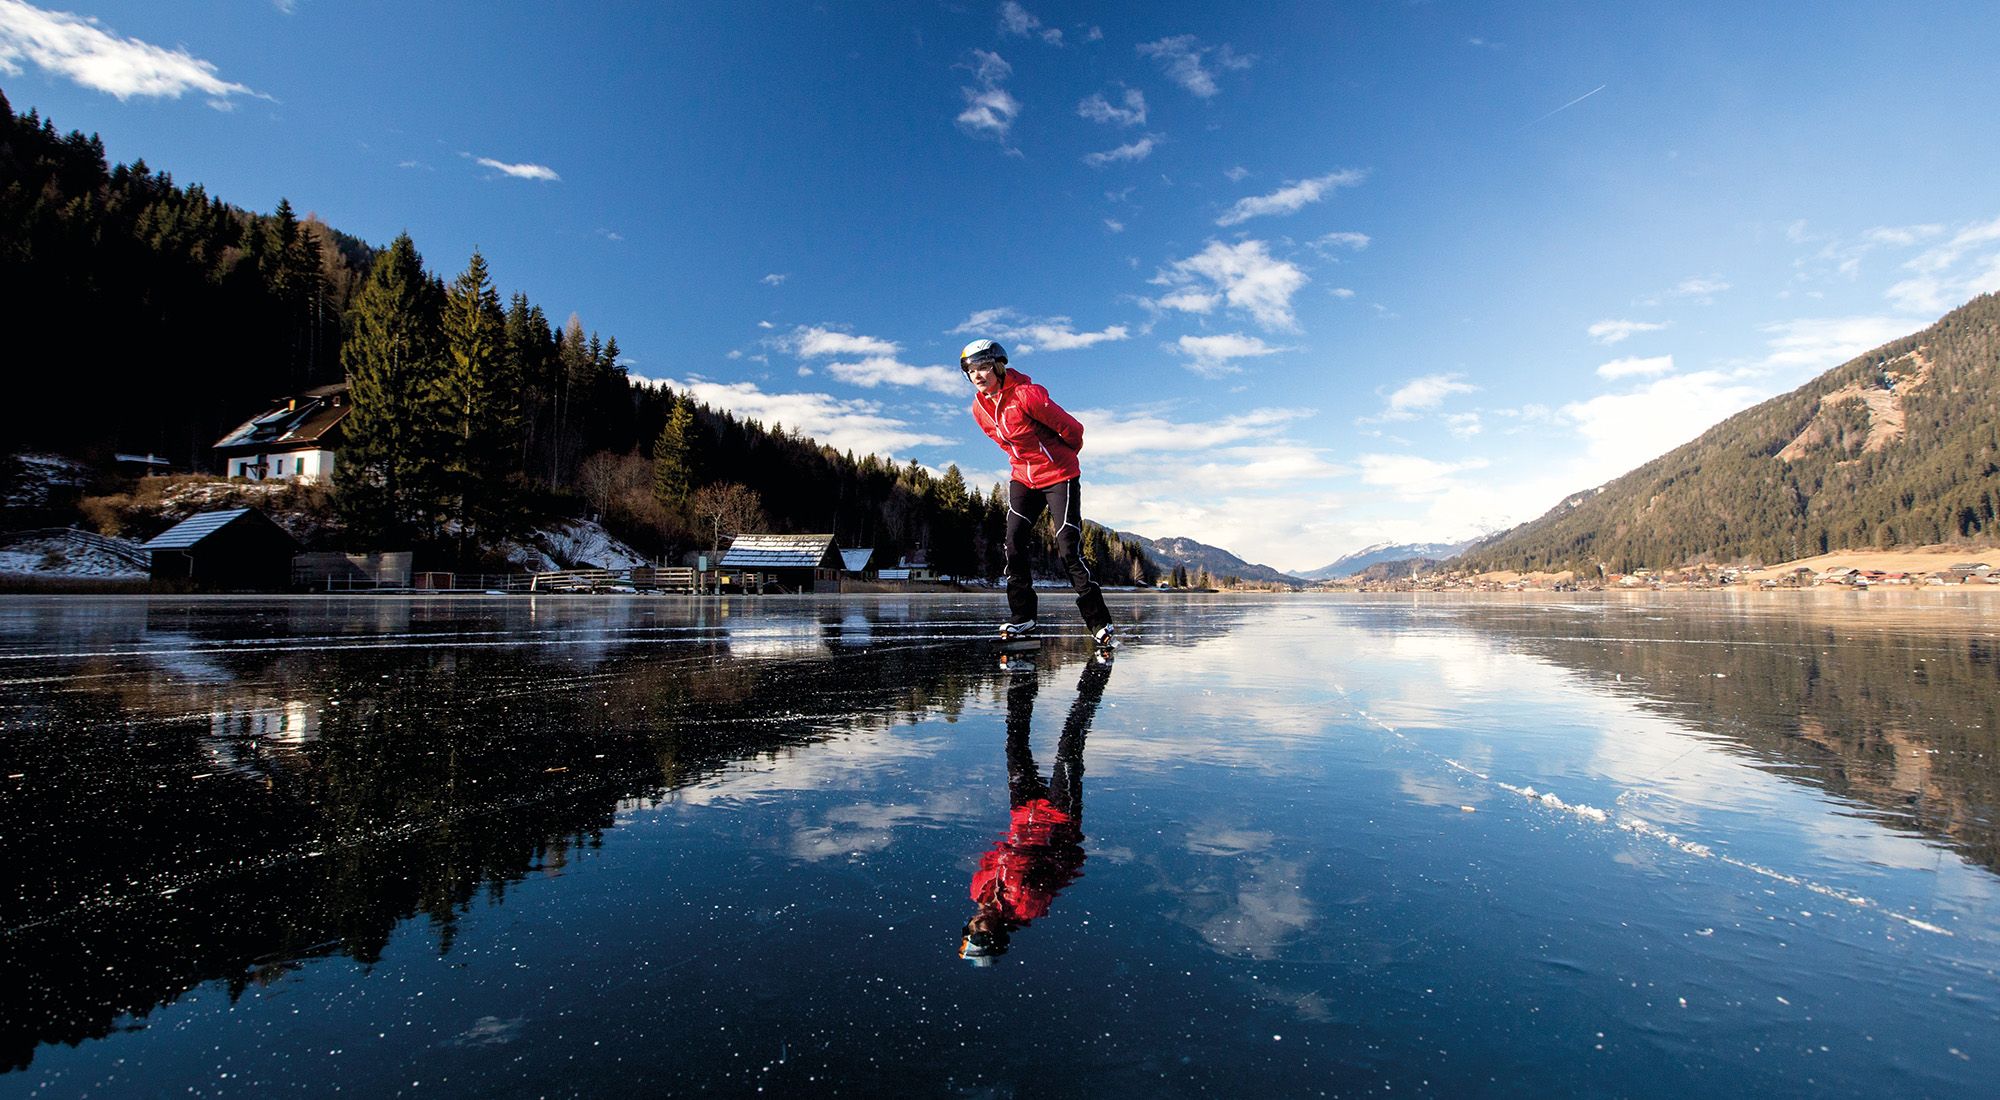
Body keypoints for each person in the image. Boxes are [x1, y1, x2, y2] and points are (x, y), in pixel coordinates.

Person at [960, 338, 1116, 648]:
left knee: (1067, 546)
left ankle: (1100, 622)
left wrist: (1061, 456)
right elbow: (1005, 442)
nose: (977, 375)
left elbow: (1074, 429)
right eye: (970, 370)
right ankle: (1024, 619)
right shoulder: (979, 408)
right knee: (1014, 542)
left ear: (999, 367)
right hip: (1023, 478)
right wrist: (1024, 464)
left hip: (1059, 475)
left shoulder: (1026, 395)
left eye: (983, 367)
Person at [959, 655, 1113, 965]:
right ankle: (1094, 681)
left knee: (1015, 745)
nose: (974, 923)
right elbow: (1057, 860)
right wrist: (1059, 836)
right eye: (978, 932)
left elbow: (995, 854)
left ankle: (1023, 674)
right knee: (1069, 747)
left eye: (968, 929)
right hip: (1057, 815)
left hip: (1022, 814)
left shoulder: (979, 891)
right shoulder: (1028, 906)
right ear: (996, 934)